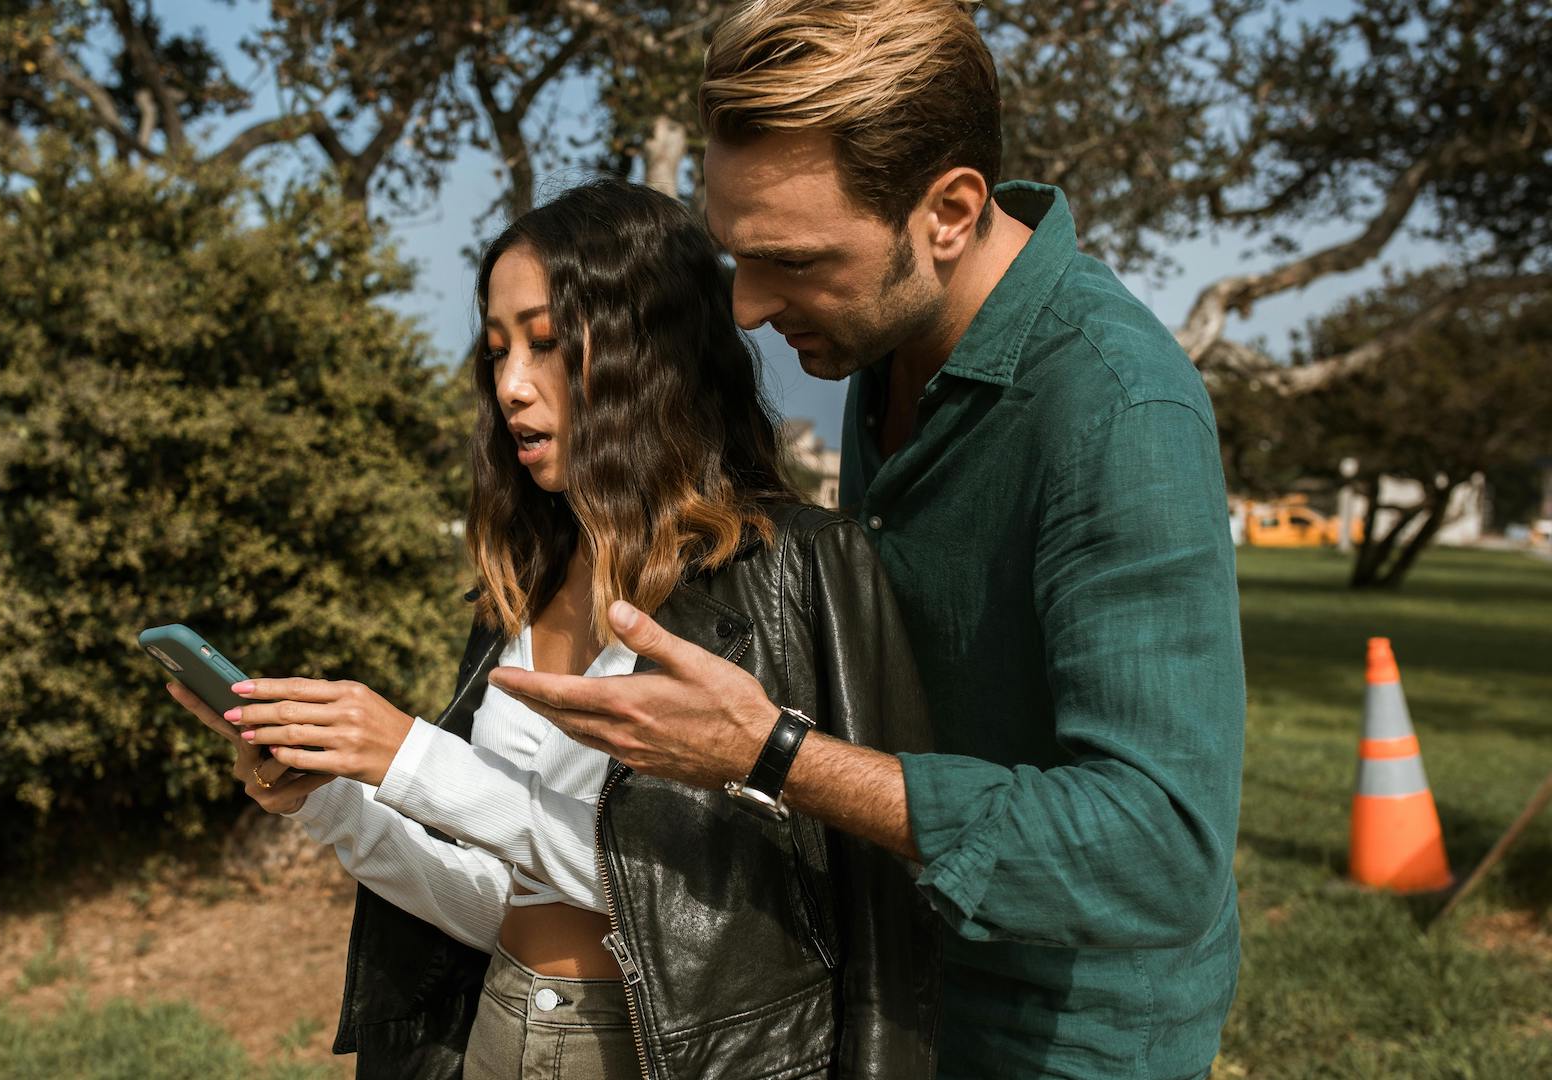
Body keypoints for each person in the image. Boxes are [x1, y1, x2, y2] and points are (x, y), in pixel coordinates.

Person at [491, 3, 1247, 1080]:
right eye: (737, 258)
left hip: (1054, 1038)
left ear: (948, 211)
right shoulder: (885, 336)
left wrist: (770, 753)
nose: (748, 307)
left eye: (792, 260)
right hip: (888, 983)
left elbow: (1159, 850)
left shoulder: (1119, 412)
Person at [169, 179, 942, 1080]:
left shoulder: (798, 573)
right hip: (503, 1034)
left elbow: (753, 916)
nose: (509, 386)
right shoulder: (521, 589)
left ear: (647, 349)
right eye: (497, 351)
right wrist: (329, 799)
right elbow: (498, 899)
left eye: (545, 344)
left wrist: (413, 760)